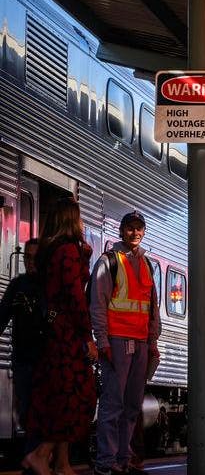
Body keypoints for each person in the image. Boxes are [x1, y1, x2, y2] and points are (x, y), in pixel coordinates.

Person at [21, 198, 98, 475]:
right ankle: (40, 454)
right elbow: (75, 295)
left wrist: (85, 256)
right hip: (66, 334)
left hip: (56, 332)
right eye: (78, 217)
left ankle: (62, 463)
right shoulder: (67, 251)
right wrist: (88, 336)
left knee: (62, 394)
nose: (81, 222)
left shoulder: (54, 250)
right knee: (78, 396)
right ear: (70, 219)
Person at [91, 211, 161, 475]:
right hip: (117, 342)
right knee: (112, 404)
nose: (134, 233)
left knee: (132, 405)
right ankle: (105, 462)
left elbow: (151, 306)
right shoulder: (108, 261)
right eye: (129, 228)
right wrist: (103, 340)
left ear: (143, 232)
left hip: (141, 342)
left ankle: (123, 459)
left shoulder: (147, 263)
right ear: (121, 231)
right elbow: (98, 302)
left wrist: (152, 341)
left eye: (139, 228)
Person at [0, 238, 43, 473]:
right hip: (23, 358)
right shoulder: (18, 286)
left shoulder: (50, 287)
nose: (31, 262)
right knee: (27, 411)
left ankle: (33, 459)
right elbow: (2, 315)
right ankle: (32, 458)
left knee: (39, 412)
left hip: (45, 361)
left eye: (36, 257)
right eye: (28, 257)